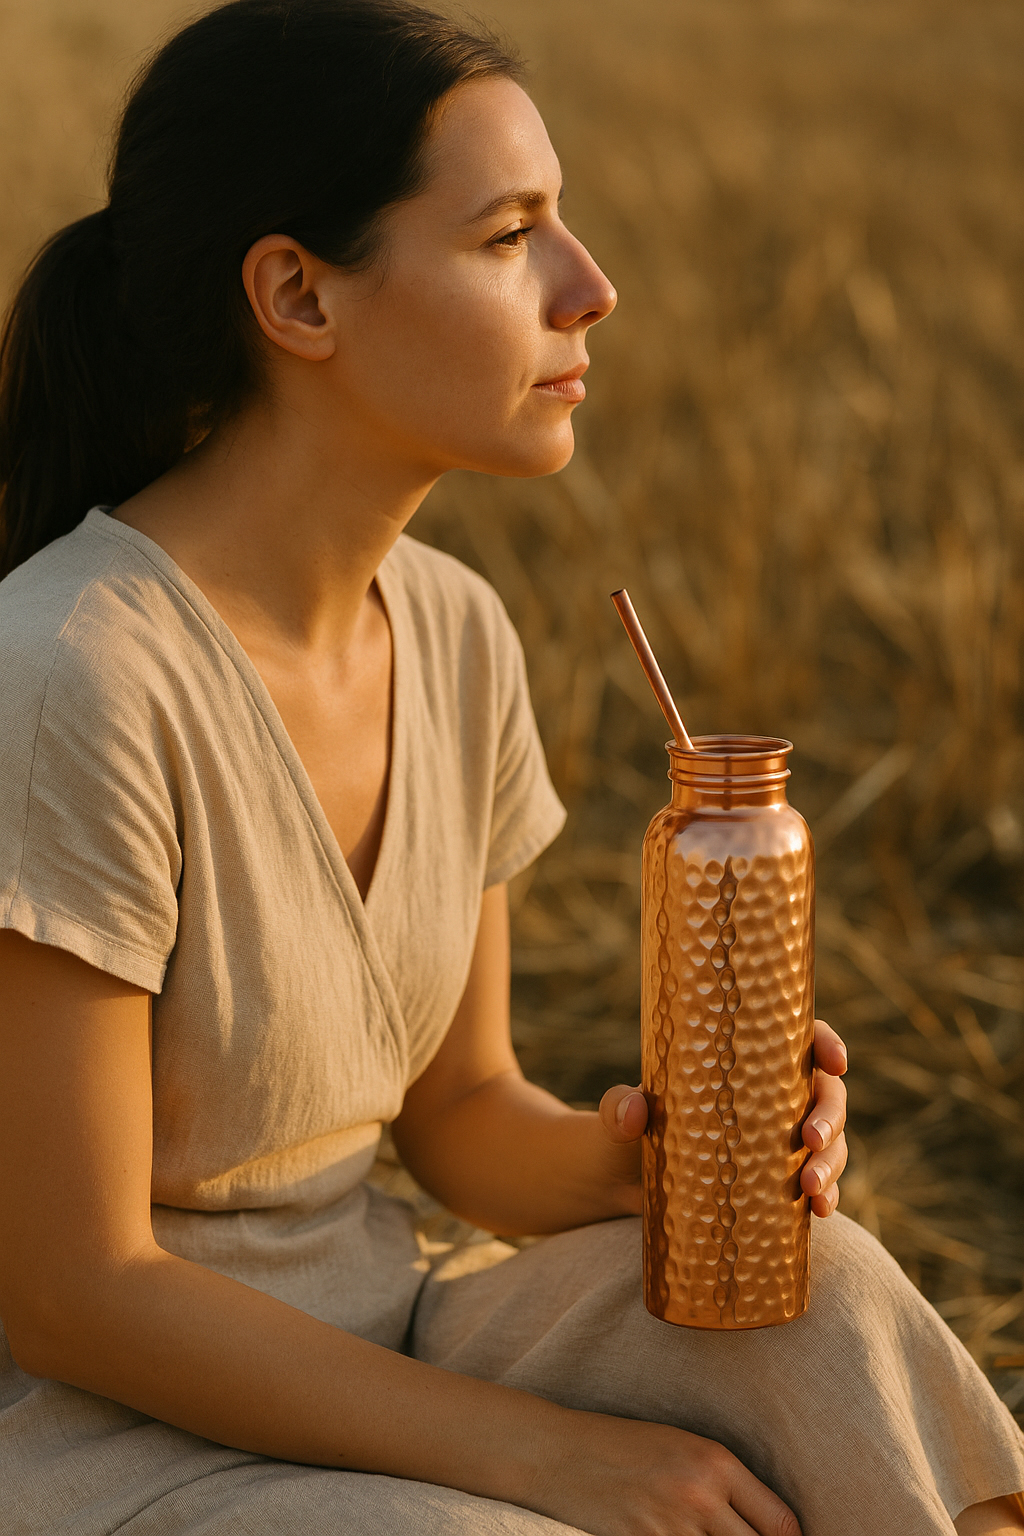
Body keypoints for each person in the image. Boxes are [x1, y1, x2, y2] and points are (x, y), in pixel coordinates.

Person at [0, 2, 1021, 1532]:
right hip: (113, 1439)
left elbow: (461, 1112)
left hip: (395, 1327)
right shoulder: (73, 671)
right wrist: (540, 1454)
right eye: (509, 235)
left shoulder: (460, 633)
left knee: (829, 1307)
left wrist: (680, 1157)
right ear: (296, 293)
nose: (591, 287)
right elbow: (74, 1294)